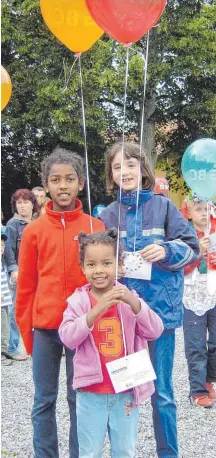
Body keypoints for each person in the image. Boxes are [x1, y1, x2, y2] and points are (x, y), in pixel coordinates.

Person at [99, 141, 200, 458]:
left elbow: (191, 248)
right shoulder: (107, 215)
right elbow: (95, 261)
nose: (124, 171)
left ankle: (168, 453)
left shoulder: (165, 206)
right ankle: (122, 451)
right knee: (124, 389)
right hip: (121, 317)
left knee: (162, 393)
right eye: (117, 166)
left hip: (158, 314)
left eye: (130, 164)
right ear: (111, 174)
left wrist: (166, 251)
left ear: (143, 169)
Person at [15, 147, 104, 458]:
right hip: (46, 330)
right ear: (46, 185)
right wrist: (28, 335)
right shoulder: (34, 232)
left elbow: (105, 283)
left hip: (82, 329)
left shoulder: (95, 228)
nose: (63, 185)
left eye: (69, 179)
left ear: (81, 183)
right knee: (44, 399)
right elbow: (25, 287)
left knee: (78, 397)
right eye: (55, 179)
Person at [59, 228, 164, 458]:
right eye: (91, 264)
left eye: (107, 263)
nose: (99, 271)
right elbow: (67, 337)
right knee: (89, 452)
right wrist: (95, 311)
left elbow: (155, 330)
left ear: (119, 265)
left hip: (126, 390)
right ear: (82, 267)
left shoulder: (128, 297)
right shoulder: (78, 301)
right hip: (90, 392)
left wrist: (133, 302)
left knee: (125, 450)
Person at [181, 195, 216, 408]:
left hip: (215, 294)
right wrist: (197, 254)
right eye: (198, 209)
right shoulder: (183, 236)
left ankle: (209, 378)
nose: (203, 213)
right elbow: (177, 268)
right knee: (195, 345)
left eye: (206, 209)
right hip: (192, 295)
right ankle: (197, 391)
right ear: (189, 213)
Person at [4, 188, 38, 360]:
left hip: (38, 272)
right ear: (15, 206)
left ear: (33, 204)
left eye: (26, 202)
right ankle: (12, 346)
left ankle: (37, 345)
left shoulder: (38, 223)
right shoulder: (12, 225)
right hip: (21, 273)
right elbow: (9, 251)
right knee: (16, 310)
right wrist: (13, 269)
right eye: (19, 203)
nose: (23, 206)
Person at [1, 228, 13, 366]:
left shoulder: (2, 262)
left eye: (3, 245)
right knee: (2, 327)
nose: (1, 247)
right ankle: (1, 353)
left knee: (6, 325)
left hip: (5, 301)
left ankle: (4, 350)